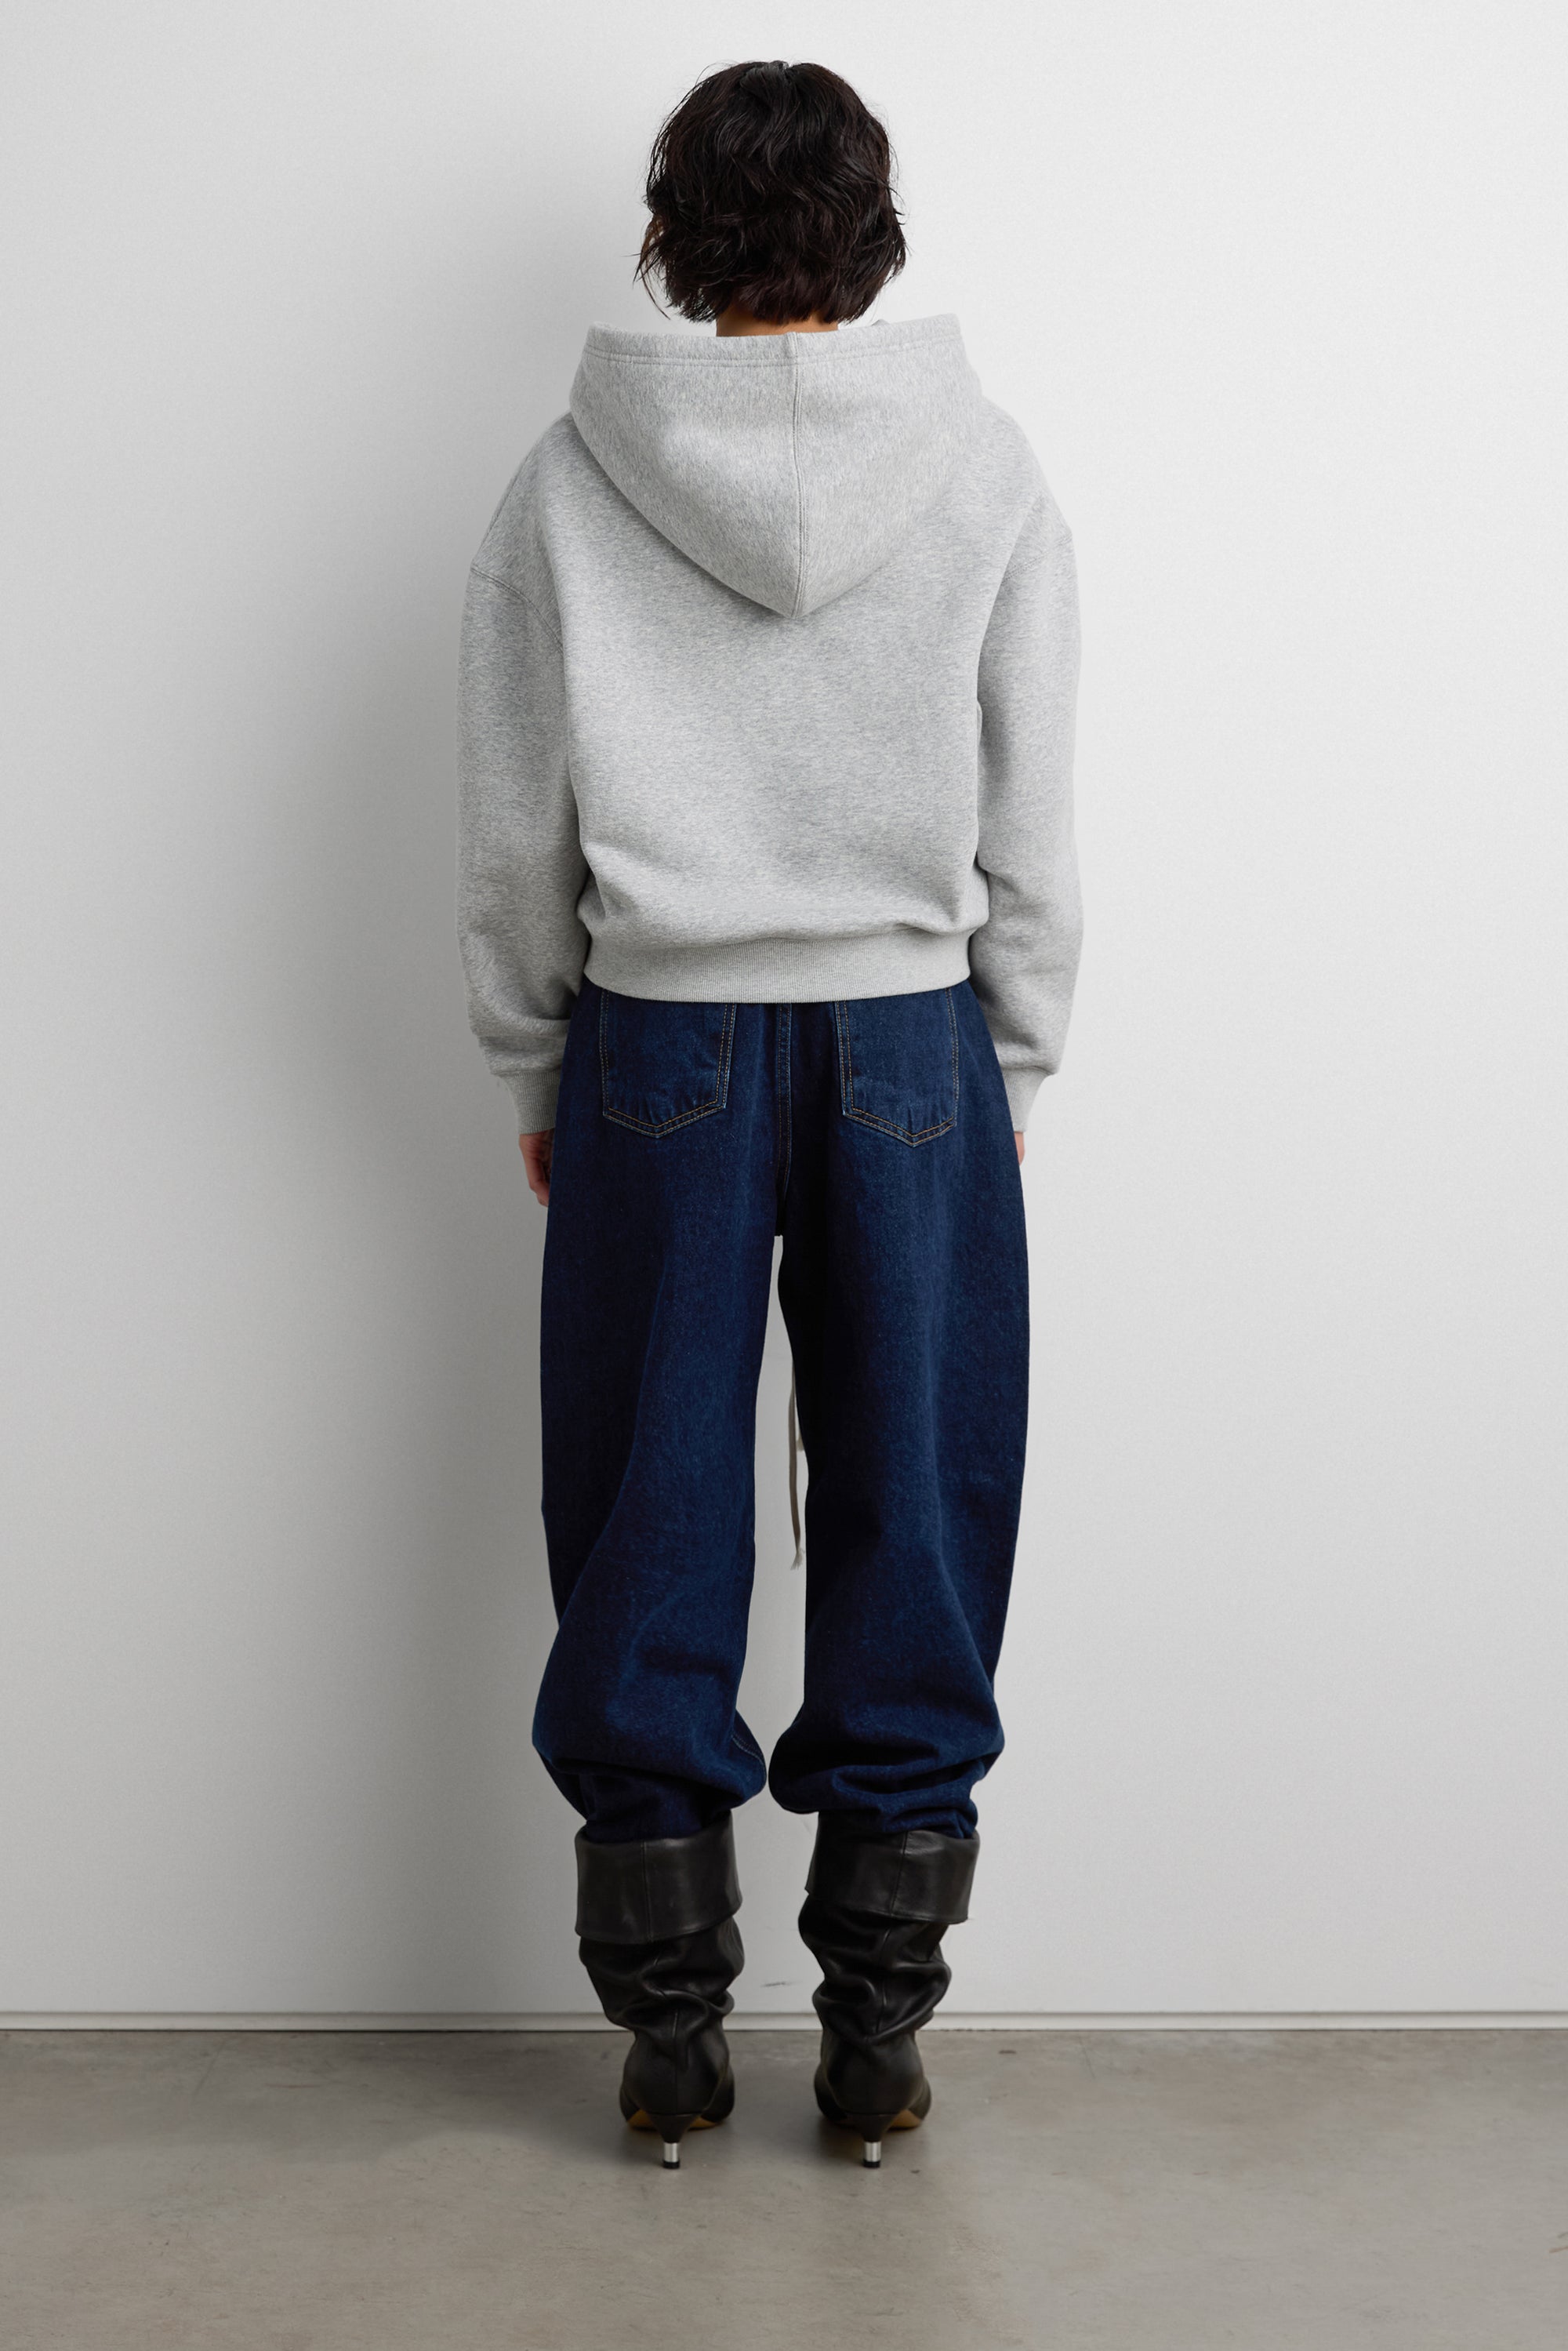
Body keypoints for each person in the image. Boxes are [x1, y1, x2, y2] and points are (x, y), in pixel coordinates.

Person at [457, 58, 1082, 2170]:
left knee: (647, 1505)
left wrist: (536, 1051)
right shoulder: (984, 467)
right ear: (871, 233)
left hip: (662, 1042)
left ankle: (666, 2042)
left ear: (678, 236)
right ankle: (879, 2034)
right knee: (919, 1494)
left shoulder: (569, 481)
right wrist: (1007, 1057)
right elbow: (1035, 806)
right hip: (911, 1036)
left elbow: (512, 820)